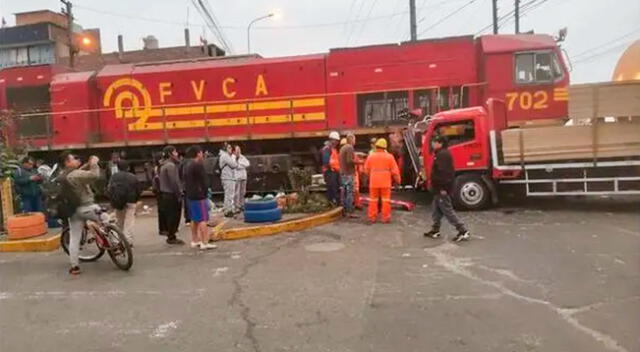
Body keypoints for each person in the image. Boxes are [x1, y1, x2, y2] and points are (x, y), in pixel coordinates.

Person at [59, 152, 106, 275]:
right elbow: (94, 176)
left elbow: (79, 173)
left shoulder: (63, 175)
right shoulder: (75, 175)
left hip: (73, 211)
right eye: (74, 158)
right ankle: (116, 245)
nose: (76, 159)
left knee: (74, 239)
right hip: (88, 207)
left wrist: (86, 165)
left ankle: (74, 267)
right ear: (67, 162)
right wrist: (95, 163)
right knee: (107, 220)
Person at [424, 136, 471, 242]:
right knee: (436, 209)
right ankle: (435, 230)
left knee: (447, 210)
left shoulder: (443, 155)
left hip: (441, 188)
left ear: (440, 143)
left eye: (434, 142)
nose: (432, 144)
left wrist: (443, 188)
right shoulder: (440, 154)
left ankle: (462, 230)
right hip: (438, 188)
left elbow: (444, 173)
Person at [184, 145, 216, 250]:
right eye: (202, 153)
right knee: (203, 219)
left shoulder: (188, 165)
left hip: (190, 195)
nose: (203, 155)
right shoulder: (198, 165)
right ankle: (204, 242)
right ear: (198, 154)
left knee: (194, 219)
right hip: (199, 196)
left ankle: (195, 240)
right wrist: (206, 193)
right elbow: (204, 181)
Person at [364, 138, 401, 224]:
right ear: (385, 147)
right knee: (385, 200)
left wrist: (370, 176)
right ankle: (385, 218)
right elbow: (395, 171)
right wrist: (398, 181)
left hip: (374, 182)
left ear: (376, 146)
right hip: (385, 182)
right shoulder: (389, 157)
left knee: (373, 200)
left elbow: (365, 170)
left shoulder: (371, 156)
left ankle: (372, 217)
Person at [107, 160, 141, 245]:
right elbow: (138, 190)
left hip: (118, 202)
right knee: (129, 222)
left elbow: (109, 189)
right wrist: (135, 200)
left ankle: (117, 240)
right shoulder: (133, 177)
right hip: (130, 201)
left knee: (119, 221)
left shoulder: (114, 177)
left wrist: (113, 201)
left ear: (118, 168)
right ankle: (128, 240)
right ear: (128, 167)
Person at [158, 146, 185, 245]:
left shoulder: (164, 164)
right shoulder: (171, 166)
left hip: (165, 194)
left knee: (170, 215)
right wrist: (179, 194)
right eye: (175, 152)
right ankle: (172, 236)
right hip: (171, 195)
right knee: (174, 216)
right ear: (170, 154)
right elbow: (174, 182)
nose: (177, 154)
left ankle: (171, 235)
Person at [339, 133, 358, 218]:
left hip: (343, 173)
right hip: (348, 173)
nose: (355, 141)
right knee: (350, 192)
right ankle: (350, 211)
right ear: (351, 140)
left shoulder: (343, 148)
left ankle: (344, 210)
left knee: (344, 192)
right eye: (354, 139)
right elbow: (349, 161)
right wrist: (360, 162)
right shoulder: (350, 148)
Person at [321, 131, 341, 205]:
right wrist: (331, 168)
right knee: (332, 188)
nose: (336, 142)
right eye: (335, 140)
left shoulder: (333, 149)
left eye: (337, 141)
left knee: (335, 188)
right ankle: (332, 203)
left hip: (334, 171)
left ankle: (335, 203)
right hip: (330, 172)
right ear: (331, 139)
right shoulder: (327, 149)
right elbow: (326, 161)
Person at [219, 143, 238, 217]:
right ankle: (228, 210)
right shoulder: (225, 156)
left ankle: (229, 209)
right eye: (229, 148)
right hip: (227, 178)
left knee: (230, 194)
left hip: (229, 177)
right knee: (228, 195)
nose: (231, 149)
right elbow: (234, 165)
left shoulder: (225, 156)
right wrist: (234, 158)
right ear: (225, 149)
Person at [234, 145, 250, 212]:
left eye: (239, 150)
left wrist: (240, 165)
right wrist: (241, 165)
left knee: (243, 192)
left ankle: (242, 205)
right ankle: (237, 206)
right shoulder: (232, 158)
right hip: (237, 177)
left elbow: (247, 164)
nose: (238, 151)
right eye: (237, 150)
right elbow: (235, 166)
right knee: (236, 193)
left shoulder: (242, 157)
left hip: (243, 177)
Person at [179, 152, 192, 226]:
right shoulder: (192, 162)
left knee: (187, 203)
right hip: (191, 185)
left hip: (185, 186)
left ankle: (188, 219)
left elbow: (180, 174)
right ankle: (192, 217)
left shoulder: (182, 163)